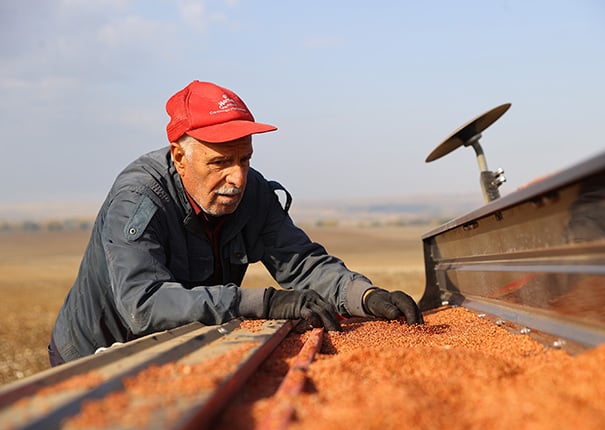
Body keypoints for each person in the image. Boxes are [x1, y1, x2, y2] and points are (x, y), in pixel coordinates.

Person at [49, 80, 423, 366]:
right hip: (95, 360)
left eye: (244, 159)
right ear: (180, 156)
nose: (237, 178)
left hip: (176, 350)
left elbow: (302, 263)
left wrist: (365, 296)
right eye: (219, 162)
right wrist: (264, 302)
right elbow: (143, 304)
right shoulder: (139, 199)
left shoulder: (251, 193)